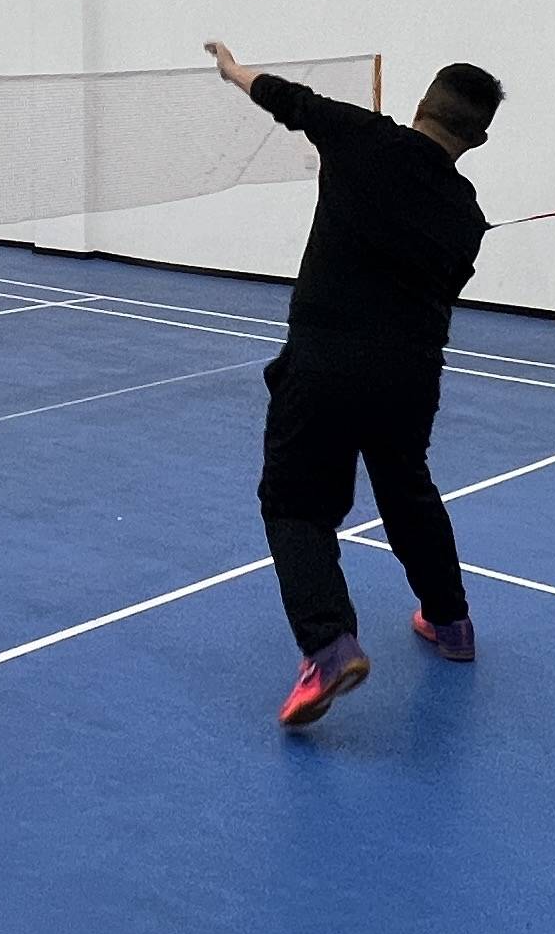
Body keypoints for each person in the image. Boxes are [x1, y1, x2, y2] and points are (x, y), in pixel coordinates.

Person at [203, 39, 500, 728]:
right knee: (407, 491)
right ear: (477, 139)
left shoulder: (360, 136)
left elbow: (287, 99)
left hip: (324, 368)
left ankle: (330, 645)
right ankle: (451, 622)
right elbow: (446, 285)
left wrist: (235, 70)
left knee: (294, 505)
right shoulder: (467, 214)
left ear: (420, 105)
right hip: (410, 380)